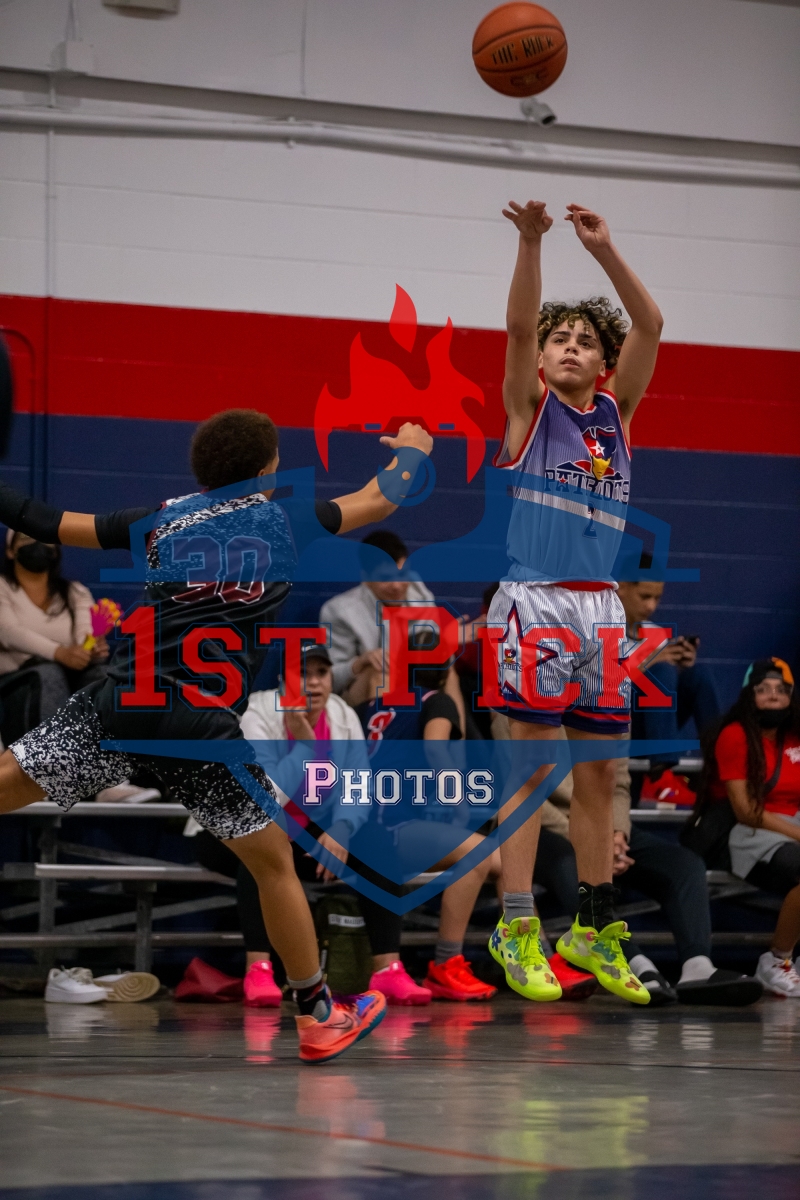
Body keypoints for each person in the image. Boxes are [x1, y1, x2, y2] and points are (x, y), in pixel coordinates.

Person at [0, 407, 433, 1062]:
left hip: (126, 701)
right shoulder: (283, 521)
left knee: (7, 784)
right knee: (273, 864)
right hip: (201, 727)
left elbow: (46, 520)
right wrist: (414, 449)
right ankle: (317, 1014)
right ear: (266, 470)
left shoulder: (160, 518)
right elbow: (380, 497)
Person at [486, 198, 664, 1005]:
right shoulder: (530, 412)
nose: (567, 345)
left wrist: (604, 250)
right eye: (559, 337)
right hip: (537, 601)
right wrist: (532, 244)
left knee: (598, 775)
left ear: (605, 363)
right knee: (532, 773)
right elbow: (517, 329)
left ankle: (591, 926)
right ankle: (517, 924)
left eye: (584, 340)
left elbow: (651, 324)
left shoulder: (617, 417)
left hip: (602, 612)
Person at [239, 642, 432, 1006]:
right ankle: (258, 970)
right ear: (282, 681)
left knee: (375, 841)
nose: (313, 682)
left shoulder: (341, 714)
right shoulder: (257, 712)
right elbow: (264, 796)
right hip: (250, 826)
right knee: (261, 846)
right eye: (303, 674)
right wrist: (305, 747)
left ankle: (388, 969)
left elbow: (359, 784)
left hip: (315, 832)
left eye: (322, 673)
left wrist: (343, 827)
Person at [534, 755, 762, 1005]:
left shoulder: (611, 727)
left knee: (683, 865)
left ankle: (697, 966)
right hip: (542, 826)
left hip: (604, 823)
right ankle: (632, 964)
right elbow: (522, 788)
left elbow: (619, 784)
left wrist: (617, 834)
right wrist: (591, 841)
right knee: (570, 864)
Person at [359, 656, 499, 1001]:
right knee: (480, 854)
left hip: (359, 825)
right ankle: (446, 964)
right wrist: (458, 802)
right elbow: (436, 748)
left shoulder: (370, 705)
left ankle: (535, 955)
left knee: (504, 861)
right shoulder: (436, 700)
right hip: (388, 824)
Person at [702, 658, 800, 997]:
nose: (773, 696)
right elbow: (746, 811)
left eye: (781, 690)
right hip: (753, 833)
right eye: (763, 689)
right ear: (748, 695)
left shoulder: (795, 736)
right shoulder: (735, 735)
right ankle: (777, 960)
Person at [320, 530, 469, 733]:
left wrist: (445, 642)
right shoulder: (340, 612)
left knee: (448, 670)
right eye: (386, 578)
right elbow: (331, 679)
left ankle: (458, 749)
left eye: (402, 574)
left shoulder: (417, 592)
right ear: (366, 578)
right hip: (360, 694)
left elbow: (428, 652)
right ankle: (380, 747)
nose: (397, 586)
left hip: (413, 682)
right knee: (380, 671)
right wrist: (360, 662)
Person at [617, 550, 720, 792]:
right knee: (661, 670)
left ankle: (721, 757)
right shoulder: (597, 627)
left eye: (657, 598)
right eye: (645, 596)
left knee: (698, 675)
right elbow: (598, 688)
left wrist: (682, 665)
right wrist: (650, 663)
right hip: (615, 725)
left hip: (650, 724)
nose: (651, 606)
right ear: (622, 587)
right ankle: (662, 760)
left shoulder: (655, 633)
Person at [0, 531, 108, 737]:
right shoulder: (2, 587)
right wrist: (59, 653)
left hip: (70, 678)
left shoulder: (75, 591)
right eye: (26, 537)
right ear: (10, 551)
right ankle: (48, 754)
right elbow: (7, 632)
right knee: (48, 673)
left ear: (55, 551)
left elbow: (84, 631)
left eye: (44, 539)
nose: (37, 543)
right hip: (15, 683)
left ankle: (105, 751)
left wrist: (89, 649)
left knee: (103, 676)